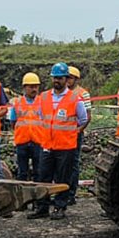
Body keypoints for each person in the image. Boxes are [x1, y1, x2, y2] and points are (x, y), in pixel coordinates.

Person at [29, 63, 87, 219]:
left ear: (66, 79)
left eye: (60, 78)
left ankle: (60, 207)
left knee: (63, 178)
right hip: (47, 145)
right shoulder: (44, 97)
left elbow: (83, 120)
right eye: (55, 78)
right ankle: (42, 208)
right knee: (43, 177)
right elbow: (41, 116)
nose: (57, 81)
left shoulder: (75, 99)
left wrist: (70, 134)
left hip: (66, 146)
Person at [62, 65, 93, 206]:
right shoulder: (62, 93)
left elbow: (87, 116)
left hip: (75, 133)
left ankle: (71, 194)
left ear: (76, 79)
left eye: (70, 78)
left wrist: (79, 130)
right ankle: (62, 192)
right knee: (62, 164)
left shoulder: (82, 94)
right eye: (66, 77)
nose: (68, 80)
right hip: (61, 135)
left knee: (73, 163)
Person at [10, 72, 43, 181]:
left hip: (38, 141)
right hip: (22, 141)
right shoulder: (17, 102)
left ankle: (39, 196)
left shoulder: (42, 102)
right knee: (22, 172)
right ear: (25, 87)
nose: (34, 89)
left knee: (38, 171)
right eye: (31, 87)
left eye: (36, 87)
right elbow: (13, 122)